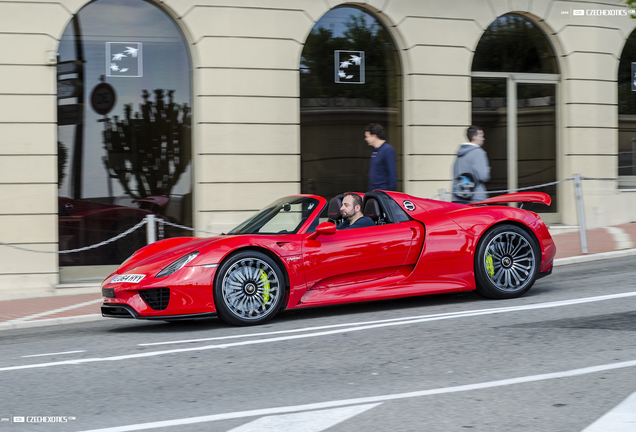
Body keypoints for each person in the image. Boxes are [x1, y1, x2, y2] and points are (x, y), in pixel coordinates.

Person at [452, 125, 491, 203]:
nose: (483, 139)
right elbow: (483, 176)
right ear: (474, 137)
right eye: (481, 136)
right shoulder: (479, 152)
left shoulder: (459, 153)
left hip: (457, 197)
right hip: (475, 198)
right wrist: (487, 170)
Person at [365, 123, 397, 192]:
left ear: (374, 136)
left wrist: (390, 194)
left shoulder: (388, 150)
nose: (366, 139)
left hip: (383, 193)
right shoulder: (374, 151)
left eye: (367, 136)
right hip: (374, 192)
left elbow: (392, 174)